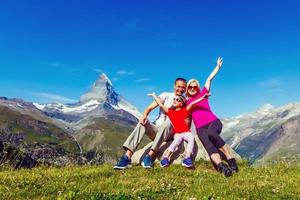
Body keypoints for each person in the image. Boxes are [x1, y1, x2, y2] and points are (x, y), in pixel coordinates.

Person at [114, 78, 187, 169]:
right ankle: (127, 157)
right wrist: (144, 116)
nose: (180, 89)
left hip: (170, 132)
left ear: (185, 88)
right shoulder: (166, 95)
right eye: (178, 86)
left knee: (168, 122)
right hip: (156, 129)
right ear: (174, 86)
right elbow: (149, 108)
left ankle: (150, 156)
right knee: (143, 123)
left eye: (183, 87)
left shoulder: (185, 101)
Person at [186, 57, 238, 177]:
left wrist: (218, 67)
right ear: (188, 89)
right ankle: (222, 167)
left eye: (194, 87)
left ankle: (231, 160)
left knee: (212, 134)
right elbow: (189, 109)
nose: (193, 88)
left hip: (213, 122)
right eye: (190, 87)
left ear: (198, 88)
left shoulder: (204, 92)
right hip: (200, 128)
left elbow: (209, 79)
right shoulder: (187, 102)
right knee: (209, 146)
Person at [148, 92, 210, 168]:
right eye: (174, 99)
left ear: (181, 103)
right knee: (176, 142)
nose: (174, 100)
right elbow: (160, 104)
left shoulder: (185, 110)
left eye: (177, 100)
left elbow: (193, 103)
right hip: (178, 133)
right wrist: (154, 95)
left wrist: (203, 98)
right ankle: (165, 158)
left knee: (191, 137)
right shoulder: (170, 111)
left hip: (187, 132)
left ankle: (187, 158)